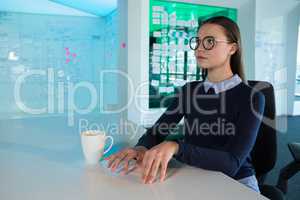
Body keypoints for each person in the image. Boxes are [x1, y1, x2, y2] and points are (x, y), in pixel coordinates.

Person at [105, 16, 265, 193]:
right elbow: (159, 131)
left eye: (210, 41)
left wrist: (177, 147)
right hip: (195, 174)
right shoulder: (189, 90)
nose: (199, 48)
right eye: (197, 41)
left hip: (236, 182)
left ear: (232, 48)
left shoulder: (252, 97)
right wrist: (141, 148)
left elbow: (231, 163)